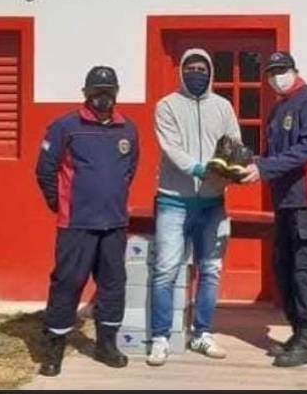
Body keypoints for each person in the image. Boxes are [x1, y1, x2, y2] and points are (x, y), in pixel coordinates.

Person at [35, 66, 140, 377]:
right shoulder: (66, 126)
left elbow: (129, 170)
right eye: (97, 91)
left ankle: (106, 344)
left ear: (117, 93)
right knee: (67, 283)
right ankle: (53, 349)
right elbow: (45, 170)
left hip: (115, 224)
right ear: (85, 93)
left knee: (112, 285)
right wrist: (60, 203)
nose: (102, 97)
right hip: (76, 224)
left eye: (108, 91)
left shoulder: (128, 129)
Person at [241, 51, 307, 368]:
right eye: (271, 73)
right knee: (283, 267)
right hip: (285, 200)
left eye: (282, 70)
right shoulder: (277, 108)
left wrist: (265, 168)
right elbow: (270, 154)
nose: (276, 76)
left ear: (295, 70)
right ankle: (297, 330)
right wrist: (249, 165)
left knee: (305, 270)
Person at [147, 49, 241, 366]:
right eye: (191, 67)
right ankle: (159, 338)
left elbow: (233, 144)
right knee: (165, 271)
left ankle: (202, 334)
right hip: (173, 200)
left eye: (202, 68)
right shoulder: (166, 106)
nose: (197, 72)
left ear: (211, 71)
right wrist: (201, 170)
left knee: (211, 270)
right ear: (182, 71)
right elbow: (171, 148)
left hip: (213, 203)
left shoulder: (223, 106)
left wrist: (234, 168)